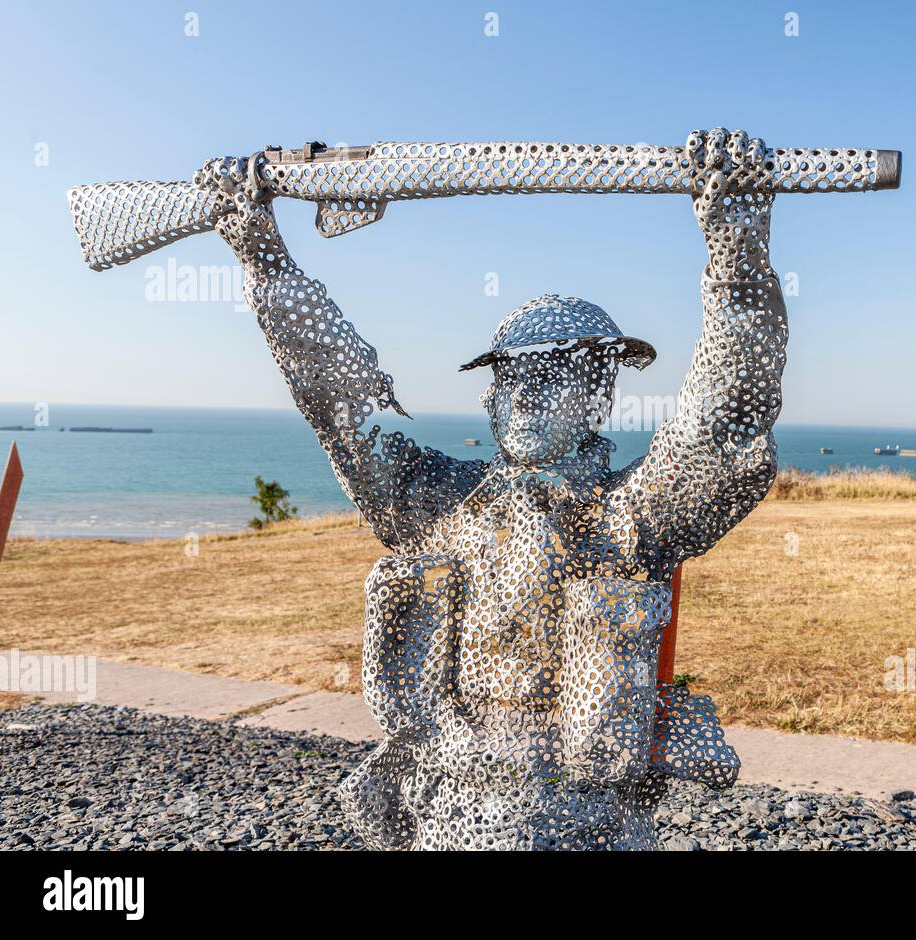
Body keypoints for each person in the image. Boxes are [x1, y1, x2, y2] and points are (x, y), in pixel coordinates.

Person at [208, 128, 788, 849]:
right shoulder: (439, 504)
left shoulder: (628, 518)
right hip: (446, 815)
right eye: (513, 379)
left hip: (585, 827)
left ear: (601, 397)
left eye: (559, 378)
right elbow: (340, 403)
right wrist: (262, 257)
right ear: (488, 400)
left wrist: (736, 251)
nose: (529, 397)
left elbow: (723, 421)